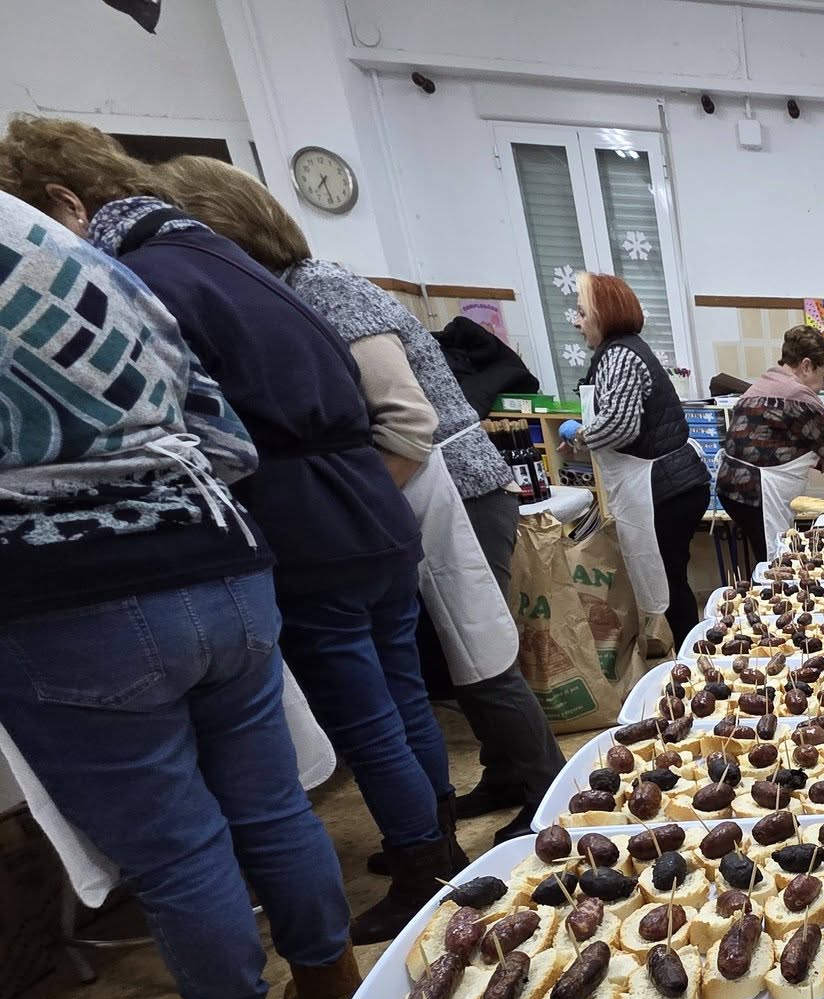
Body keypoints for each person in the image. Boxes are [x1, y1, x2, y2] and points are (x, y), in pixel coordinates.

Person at [0, 116, 458, 941]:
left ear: (65, 203)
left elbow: (221, 434)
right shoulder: (232, 262)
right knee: (399, 693)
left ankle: (425, 859)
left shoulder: (139, 276)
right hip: (367, 506)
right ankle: (433, 839)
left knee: (366, 717)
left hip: (305, 520)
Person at [0, 189, 355, 999]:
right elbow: (222, 433)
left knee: (176, 844)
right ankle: (331, 985)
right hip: (217, 558)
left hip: (67, 593)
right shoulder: (78, 255)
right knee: (273, 804)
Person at [158, 156, 565, 845]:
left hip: (456, 487)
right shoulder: (285, 292)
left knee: (479, 650)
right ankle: (505, 773)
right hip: (416, 492)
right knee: (451, 657)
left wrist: (350, 507)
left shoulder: (323, 288)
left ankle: (546, 788)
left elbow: (407, 422)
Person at [571, 272, 708, 647]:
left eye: (582, 313)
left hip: (665, 488)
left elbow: (620, 427)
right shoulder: (619, 352)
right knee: (671, 577)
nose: (576, 322)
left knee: (669, 581)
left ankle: (686, 660)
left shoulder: (621, 356)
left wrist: (581, 435)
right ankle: (682, 653)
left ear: (604, 314)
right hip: (667, 484)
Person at [717, 324, 824, 566]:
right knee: (775, 563)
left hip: (733, 490)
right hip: (756, 492)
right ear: (807, 366)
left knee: (770, 556)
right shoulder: (796, 395)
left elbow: (792, 448)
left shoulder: (763, 385)